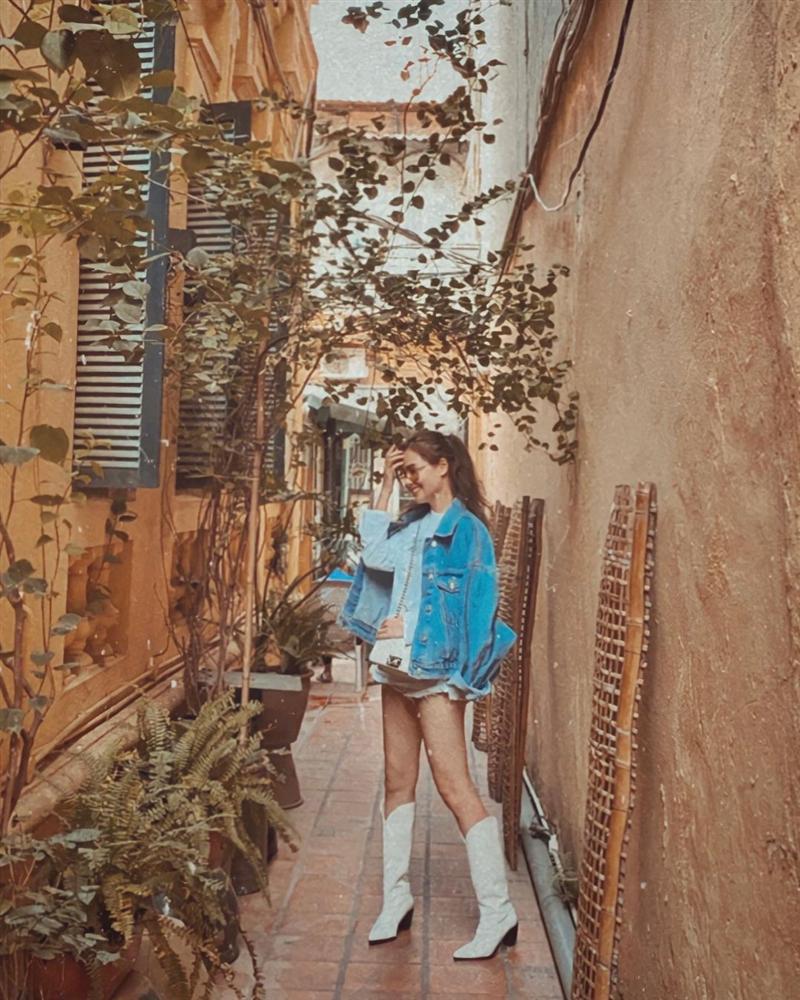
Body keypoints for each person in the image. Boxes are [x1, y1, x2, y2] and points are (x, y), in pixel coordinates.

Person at [340, 430, 518, 961]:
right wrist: (384, 482)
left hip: (438, 676)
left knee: (455, 788)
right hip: (398, 670)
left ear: (444, 467)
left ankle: (498, 912)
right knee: (397, 782)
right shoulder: (413, 525)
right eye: (404, 472)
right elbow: (374, 556)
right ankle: (396, 899)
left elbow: (479, 610)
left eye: (414, 469)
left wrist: (415, 629)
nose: (409, 479)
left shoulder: (468, 532)